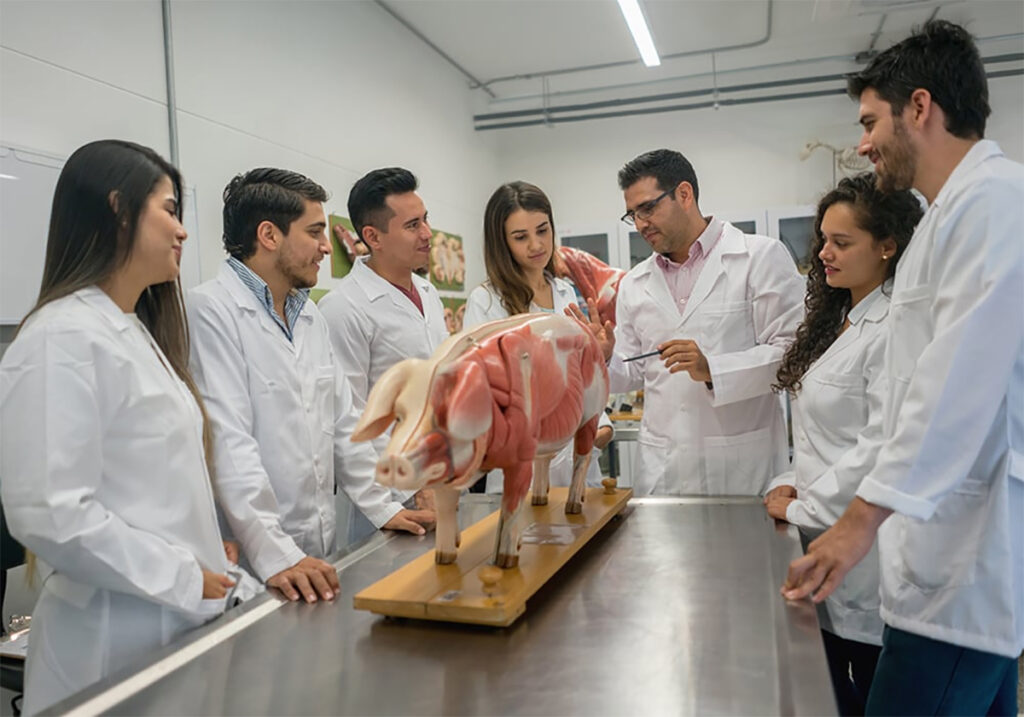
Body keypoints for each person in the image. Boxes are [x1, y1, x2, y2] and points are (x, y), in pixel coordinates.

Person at [782, 21, 1023, 715]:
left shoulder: (994, 201)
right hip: (935, 566)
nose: (860, 143)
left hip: (962, 572)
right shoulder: (942, 222)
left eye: (868, 121)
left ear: (919, 107)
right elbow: (902, 402)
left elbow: (957, 387)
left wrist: (855, 524)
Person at [0, 140, 252, 713]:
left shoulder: (133, 332)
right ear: (119, 209)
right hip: (110, 642)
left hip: (169, 627)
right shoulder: (59, 338)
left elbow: (155, 487)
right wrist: (186, 576)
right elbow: (51, 513)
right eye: (169, 209)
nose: (182, 231)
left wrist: (209, 555)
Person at [764, 173, 922, 715]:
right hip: (821, 547)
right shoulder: (840, 317)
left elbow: (881, 445)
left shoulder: (895, 325)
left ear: (887, 246)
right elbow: (818, 434)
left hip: (870, 555)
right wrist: (787, 479)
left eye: (841, 243)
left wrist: (804, 503)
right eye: (823, 241)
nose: (824, 254)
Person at [187, 168, 376, 603]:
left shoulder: (308, 314)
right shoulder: (211, 310)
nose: (328, 247)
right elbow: (228, 441)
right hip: (255, 564)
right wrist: (276, 553)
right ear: (269, 235)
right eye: (314, 232)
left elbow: (345, 425)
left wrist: (387, 508)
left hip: (314, 556)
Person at [573, 150, 804, 496]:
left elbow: (791, 356)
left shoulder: (759, 258)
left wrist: (712, 368)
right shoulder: (636, 283)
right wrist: (605, 357)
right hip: (664, 470)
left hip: (740, 470)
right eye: (632, 215)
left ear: (684, 194)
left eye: (648, 208)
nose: (640, 224)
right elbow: (634, 371)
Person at [318, 168, 443, 541]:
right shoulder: (344, 308)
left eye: (425, 220)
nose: (427, 234)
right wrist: (412, 488)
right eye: (412, 225)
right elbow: (351, 418)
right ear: (373, 237)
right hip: (388, 499)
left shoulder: (428, 293)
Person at [464, 181, 614, 493]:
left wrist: (601, 356)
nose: (536, 245)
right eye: (521, 237)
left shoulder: (565, 291)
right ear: (501, 243)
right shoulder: (487, 302)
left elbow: (583, 380)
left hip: (579, 461)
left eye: (543, 230)